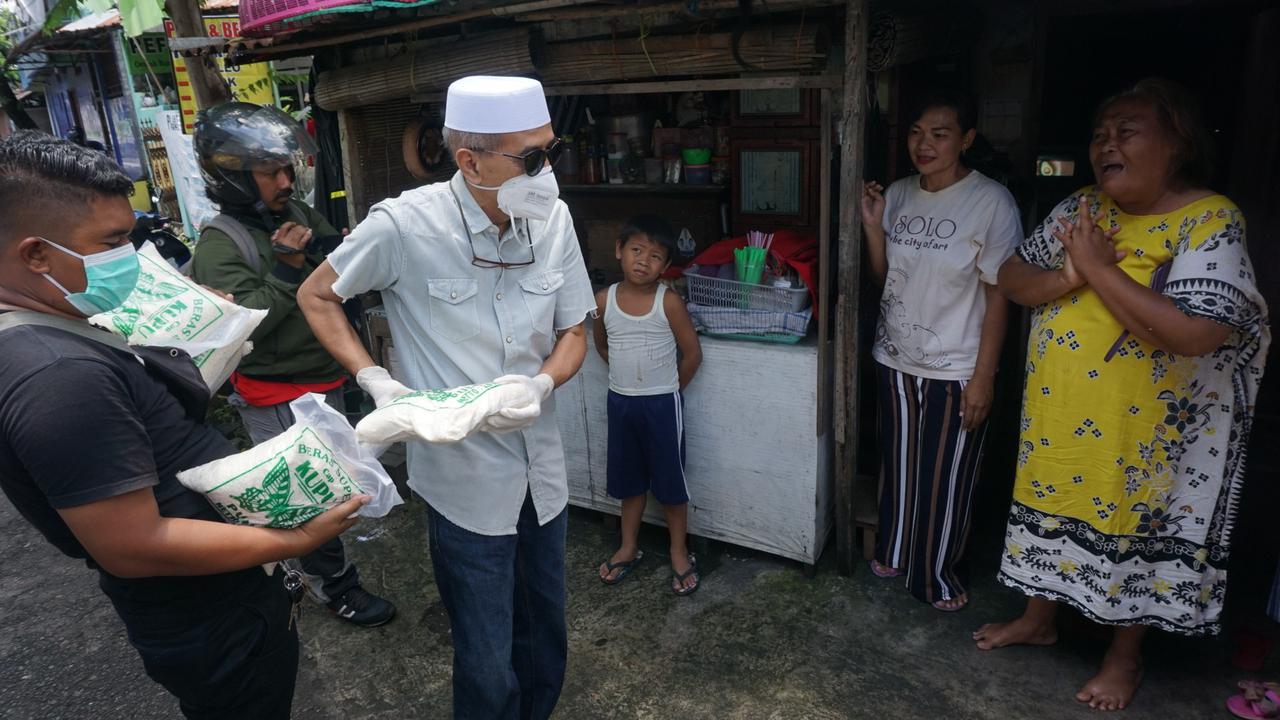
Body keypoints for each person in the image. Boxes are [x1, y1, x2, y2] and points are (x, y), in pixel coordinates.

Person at [0, 130, 368, 718]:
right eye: (113, 242)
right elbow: (133, 545)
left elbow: (138, 422)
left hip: (218, 594)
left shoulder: (57, 326)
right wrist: (296, 542)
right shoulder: (58, 375)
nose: (130, 255)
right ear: (36, 255)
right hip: (207, 615)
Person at [298, 75, 596, 719]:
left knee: (545, 639)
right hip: (462, 482)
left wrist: (544, 381)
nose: (546, 173)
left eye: (552, 151)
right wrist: (375, 379)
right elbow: (317, 295)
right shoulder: (407, 225)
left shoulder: (554, 219)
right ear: (470, 159)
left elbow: (575, 328)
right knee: (486, 658)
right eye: (532, 158)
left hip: (540, 471)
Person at [973, 78, 1270, 711]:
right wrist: (1069, 273)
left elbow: (1196, 332)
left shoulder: (1210, 220)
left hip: (1151, 433)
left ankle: (1123, 655)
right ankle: (1039, 617)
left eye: (1126, 131)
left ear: (1177, 143)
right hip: (1063, 414)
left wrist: (1101, 272)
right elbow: (1012, 276)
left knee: (1134, 529)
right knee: (1052, 505)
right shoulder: (1081, 209)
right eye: (1099, 134)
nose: (1106, 143)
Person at [189, 102, 396, 628]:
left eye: (288, 168)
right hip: (275, 393)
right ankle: (337, 589)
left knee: (337, 482)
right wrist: (285, 270)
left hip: (324, 379)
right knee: (304, 496)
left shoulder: (295, 215)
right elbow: (243, 327)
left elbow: (331, 259)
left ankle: (309, 566)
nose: (286, 181)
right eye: (271, 172)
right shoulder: (221, 244)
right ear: (231, 177)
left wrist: (349, 249)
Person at [859, 90, 1022, 612]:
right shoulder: (901, 193)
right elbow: (889, 279)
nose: (923, 144)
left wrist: (985, 377)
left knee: (947, 474)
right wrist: (871, 226)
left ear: (967, 139)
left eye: (940, 133)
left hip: (956, 365)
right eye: (915, 133)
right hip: (895, 357)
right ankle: (896, 550)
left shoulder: (991, 202)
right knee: (901, 464)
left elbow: (1000, 299)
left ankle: (938, 576)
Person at [593, 216, 703, 594]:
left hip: (661, 406)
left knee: (671, 483)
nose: (643, 261)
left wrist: (668, 389)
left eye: (655, 256)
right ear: (619, 250)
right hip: (621, 402)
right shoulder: (603, 300)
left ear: (666, 265)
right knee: (629, 482)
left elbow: (692, 355)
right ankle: (628, 546)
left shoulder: (668, 301)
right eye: (636, 250)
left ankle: (678, 551)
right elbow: (603, 345)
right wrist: (628, 382)